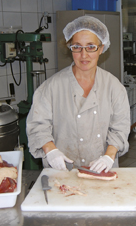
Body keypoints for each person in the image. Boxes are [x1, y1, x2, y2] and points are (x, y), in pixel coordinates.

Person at [26, 16, 130, 173]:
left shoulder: (114, 87)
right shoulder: (51, 87)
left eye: (91, 47)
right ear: (70, 48)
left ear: (101, 48)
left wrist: (109, 156)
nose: (84, 55)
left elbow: (120, 128)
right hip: (62, 172)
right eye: (77, 47)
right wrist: (51, 151)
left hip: (101, 171)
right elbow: (37, 125)